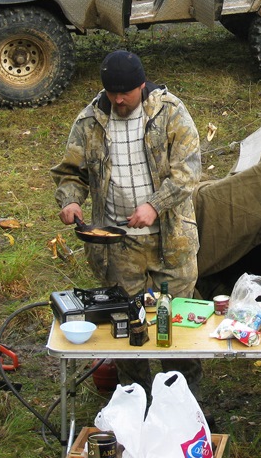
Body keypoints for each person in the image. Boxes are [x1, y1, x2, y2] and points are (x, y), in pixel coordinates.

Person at [51, 50, 203, 394]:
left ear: (141, 85)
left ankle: (183, 399)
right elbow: (71, 173)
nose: (119, 100)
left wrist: (155, 204)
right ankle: (136, 398)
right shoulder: (89, 122)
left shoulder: (170, 113)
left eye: (126, 93)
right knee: (124, 323)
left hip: (172, 238)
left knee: (177, 324)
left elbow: (188, 172)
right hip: (117, 242)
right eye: (112, 93)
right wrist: (71, 200)